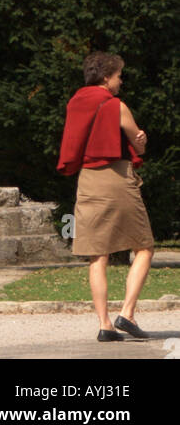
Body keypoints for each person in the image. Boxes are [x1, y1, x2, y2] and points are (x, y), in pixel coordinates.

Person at [57, 51, 154, 342]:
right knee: (145, 247)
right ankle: (127, 313)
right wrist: (143, 142)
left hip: (87, 181)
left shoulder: (75, 103)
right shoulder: (115, 105)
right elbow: (138, 147)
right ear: (106, 78)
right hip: (116, 178)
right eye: (118, 76)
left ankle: (105, 324)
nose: (120, 81)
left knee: (97, 256)